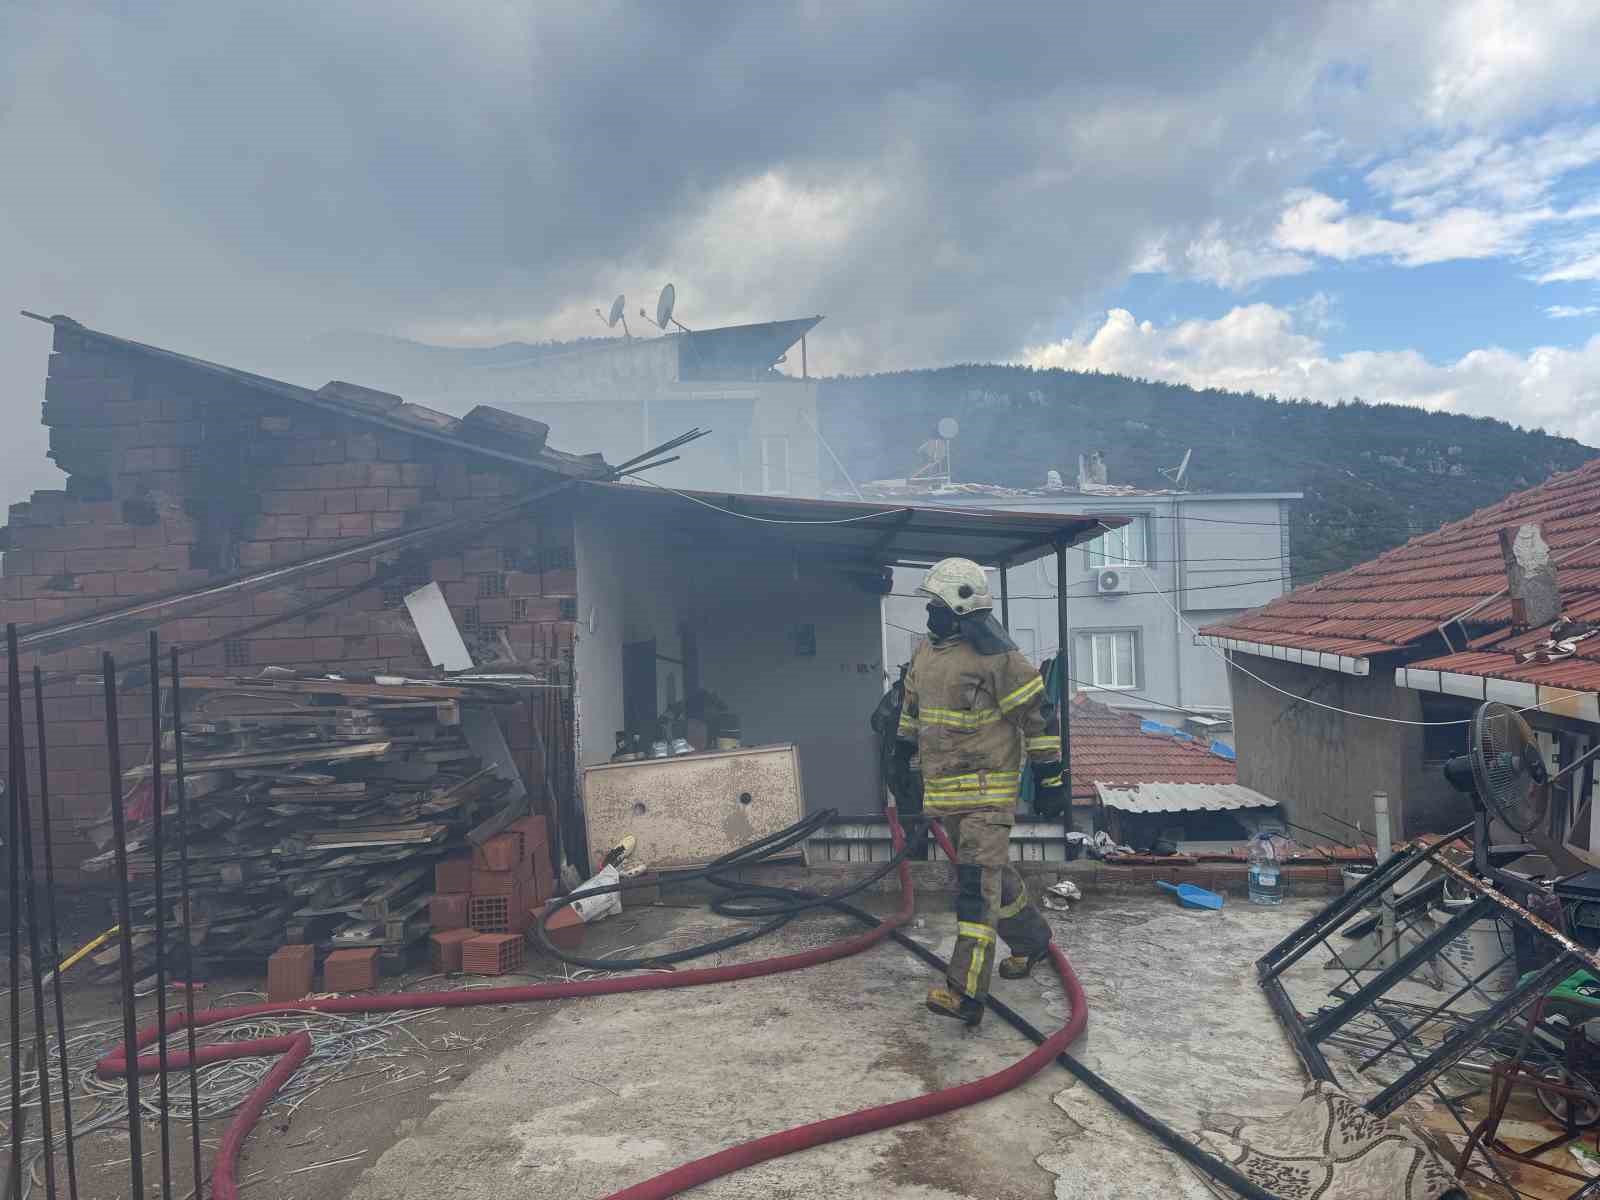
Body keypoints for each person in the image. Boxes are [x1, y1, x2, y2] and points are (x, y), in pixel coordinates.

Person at [896, 557, 1064, 1026]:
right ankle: (1032, 941)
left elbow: (1038, 717)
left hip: (988, 793)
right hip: (946, 795)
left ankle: (966, 991)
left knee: (974, 889)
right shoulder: (927, 654)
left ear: (961, 607)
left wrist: (1050, 778)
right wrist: (901, 757)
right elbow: (912, 711)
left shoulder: (999, 657)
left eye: (937, 605)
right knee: (993, 878)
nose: (930, 614)